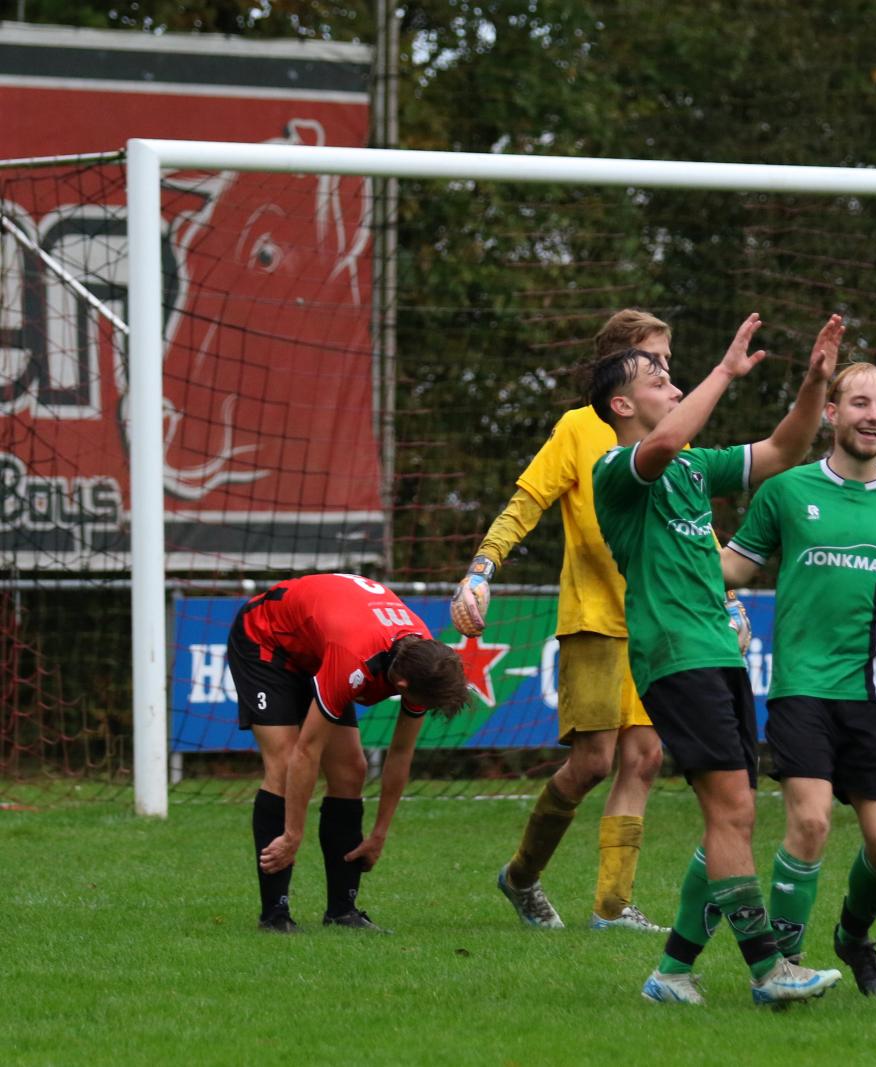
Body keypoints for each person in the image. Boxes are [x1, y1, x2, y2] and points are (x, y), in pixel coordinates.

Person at [591, 312, 845, 1007]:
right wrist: (727, 372)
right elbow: (668, 438)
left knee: (733, 816)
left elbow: (786, 447)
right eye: (656, 375)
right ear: (621, 404)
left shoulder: (694, 470)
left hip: (717, 654)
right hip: (675, 657)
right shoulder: (617, 469)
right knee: (731, 811)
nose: (670, 381)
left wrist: (815, 384)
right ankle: (769, 970)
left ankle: (672, 971)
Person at [451, 309, 677, 934]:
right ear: (619, 377)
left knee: (646, 758)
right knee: (594, 764)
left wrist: (727, 600)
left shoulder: (672, 433)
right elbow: (527, 501)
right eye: (654, 362)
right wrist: (481, 568)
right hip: (596, 620)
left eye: (668, 362)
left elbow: (689, 525)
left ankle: (613, 906)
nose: (667, 375)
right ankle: (521, 875)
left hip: (654, 624)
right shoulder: (579, 428)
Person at [720, 362, 876, 997]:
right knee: (809, 824)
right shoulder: (785, 492)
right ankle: (781, 966)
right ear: (832, 414)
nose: (875, 415)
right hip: (803, 689)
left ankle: (853, 937)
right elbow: (734, 566)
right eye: (861, 402)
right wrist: (680, 550)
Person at [240, 573, 469, 932]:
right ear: (404, 686)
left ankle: (342, 912)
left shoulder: (424, 660)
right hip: (268, 638)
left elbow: (401, 754)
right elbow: (306, 752)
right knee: (285, 764)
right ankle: (275, 915)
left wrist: (379, 833)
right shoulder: (356, 660)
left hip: (319, 646)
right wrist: (292, 834)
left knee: (351, 770)